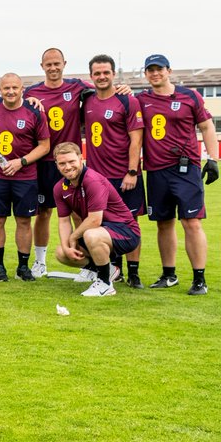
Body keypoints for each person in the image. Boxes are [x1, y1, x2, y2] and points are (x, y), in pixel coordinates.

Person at [135, 54, 219, 295]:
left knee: (191, 222)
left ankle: (199, 278)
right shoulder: (142, 99)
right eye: (150, 70)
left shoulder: (189, 95)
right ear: (146, 74)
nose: (155, 73)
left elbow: (206, 126)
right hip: (156, 170)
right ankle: (169, 274)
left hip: (185, 169)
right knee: (164, 223)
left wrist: (212, 159)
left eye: (159, 69)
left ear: (168, 71)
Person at [23, 48, 91, 278]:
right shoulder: (32, 92)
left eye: (57, 64)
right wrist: (27, 100)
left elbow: (104, 90)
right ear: (42, 66)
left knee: (78, 214)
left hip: (72, 163)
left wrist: (123, 88)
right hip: (43, 162)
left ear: (64, 64)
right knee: (43, 212)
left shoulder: (77, 87)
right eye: (48, 64)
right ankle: (40, 262)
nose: (53, 68)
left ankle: (86, 263)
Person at [82, 54, 146, 287]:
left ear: (113, 74)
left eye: (106, 72)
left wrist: (131, 172)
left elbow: (135, 140)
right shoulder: (86, 100)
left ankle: (134, 274)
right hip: (98, 178)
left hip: (124, 176)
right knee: (104, 224)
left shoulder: (127, 101)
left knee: (131, 222)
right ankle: (112, 269)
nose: (101, 76)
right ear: (91, 76)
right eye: (97, 73)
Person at [51, 142, 142, 298]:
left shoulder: (92, 180)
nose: (67, 167)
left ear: (81, 158)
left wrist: (73, 237)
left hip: (126, 232)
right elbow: (64, 221)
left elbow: (95, 220)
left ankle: (105, 283)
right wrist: (67, 246)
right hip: (102, 232)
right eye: (62, 163)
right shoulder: (59, 188)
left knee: (91, 235)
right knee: (61, 253)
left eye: (72, 161)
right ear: (57, 165)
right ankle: (110, 270)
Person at [0, 73, 50, 281]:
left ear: (23, 89)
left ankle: (23, 267)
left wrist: (20, 162)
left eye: (15, 87)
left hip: (25, 176)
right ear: (0, 90)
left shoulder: (34, 111)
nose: (10, 92)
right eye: (6, 88)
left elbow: (45, 146)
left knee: (23, 221)